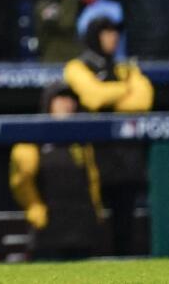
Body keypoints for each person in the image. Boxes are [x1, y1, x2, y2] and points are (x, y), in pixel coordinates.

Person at [63, 16, 154, 257]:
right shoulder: (77, 66)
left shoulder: (125, 67)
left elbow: (143, 100)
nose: (112, 37)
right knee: (87, 223)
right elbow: (93, 97)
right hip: (92, 159)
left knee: (125, 225)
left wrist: (110, 95)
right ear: (94, 35)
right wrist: (125, 90)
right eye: (106, 32)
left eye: (115, 33)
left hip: (126, 160)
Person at [9, 83, 104, 261]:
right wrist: (34, 207)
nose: (66, 104)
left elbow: (92, 179)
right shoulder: (31, 139)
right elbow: (21, 183)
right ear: (48, 103)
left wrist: (96, 209)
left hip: (82, 224)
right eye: (60, 99)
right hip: (48, 227)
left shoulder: (82, 141)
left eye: (70, 99)